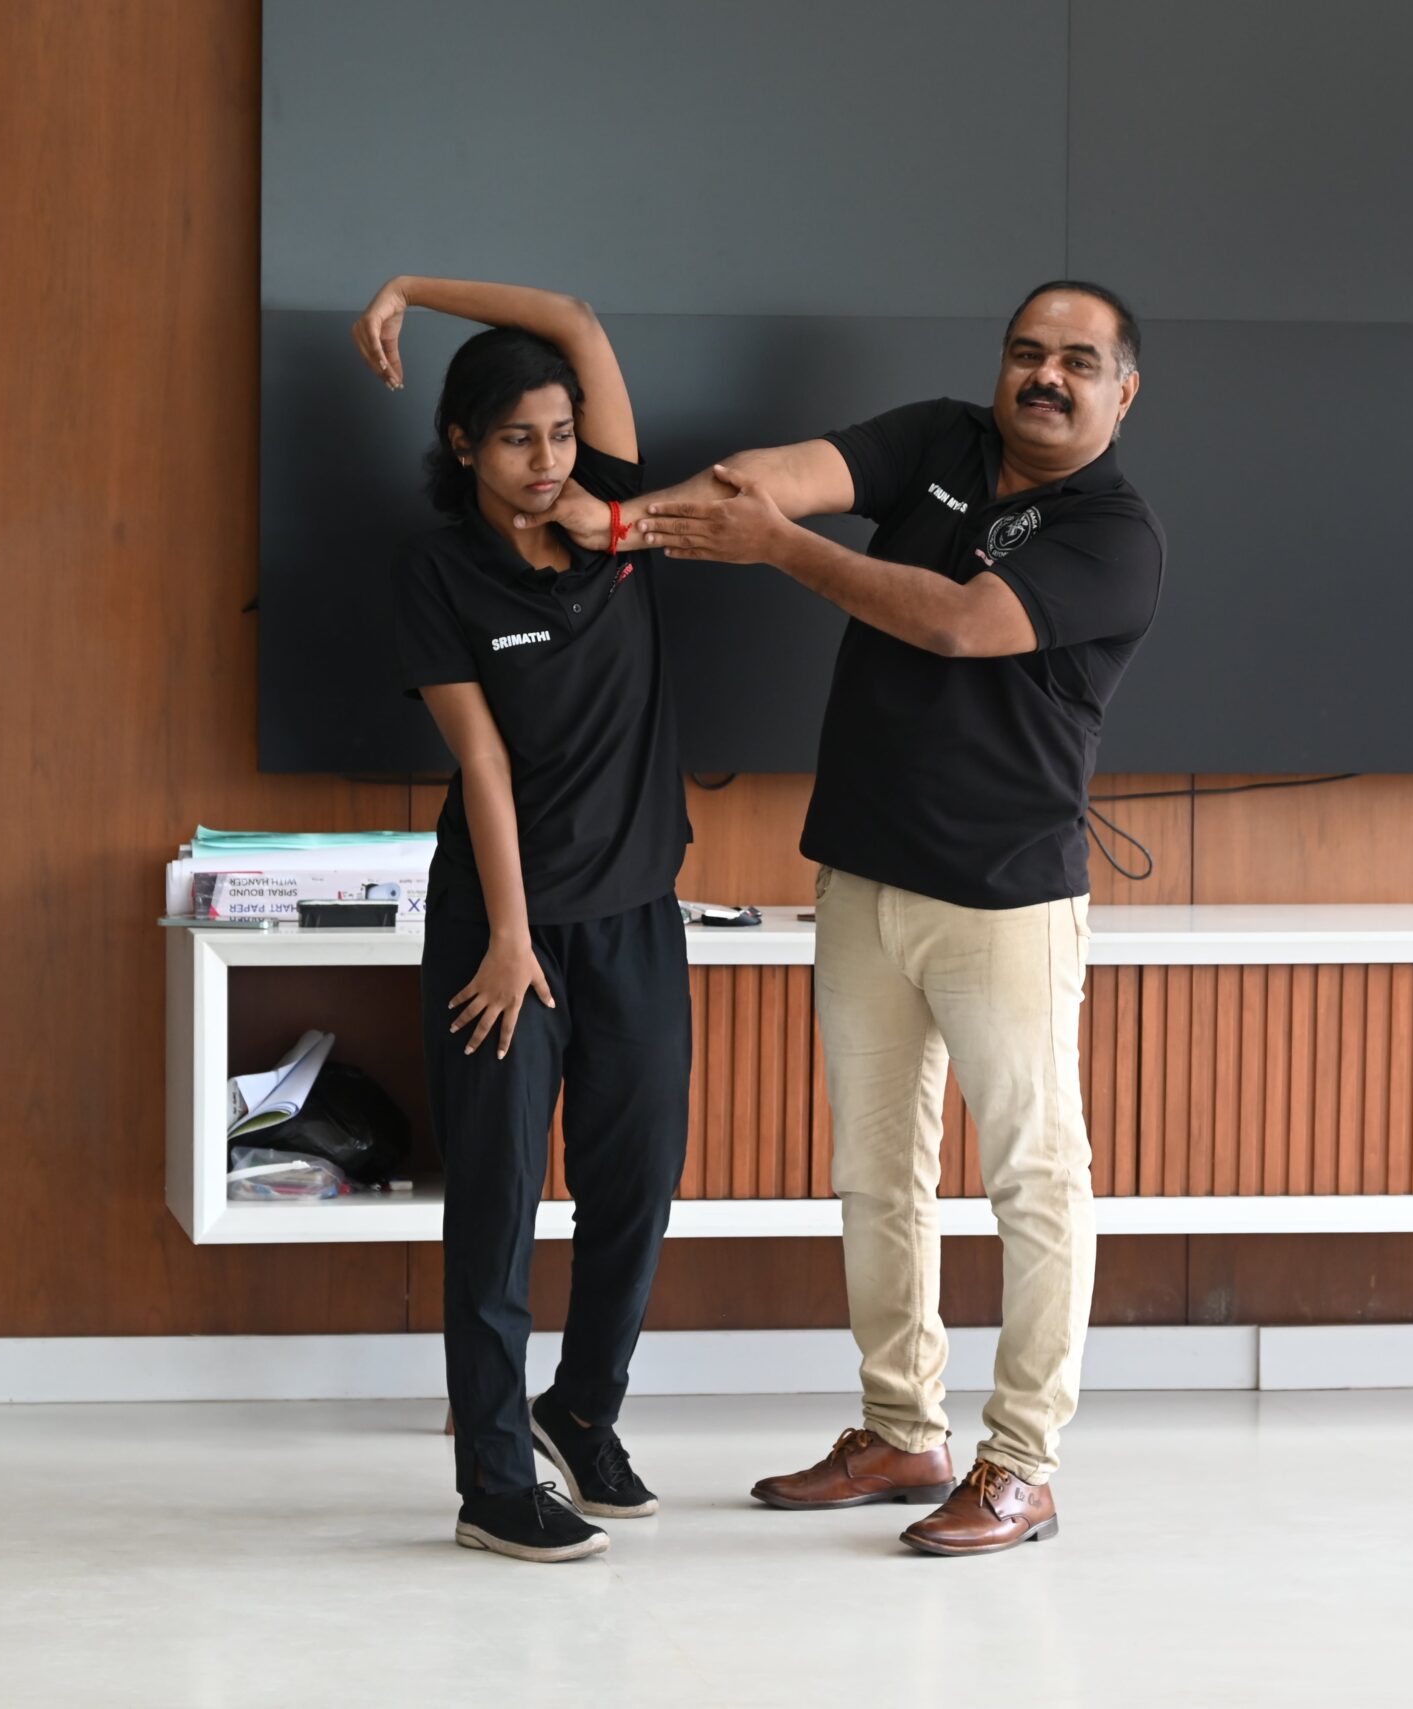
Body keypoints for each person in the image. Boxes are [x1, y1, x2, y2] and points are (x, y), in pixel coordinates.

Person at [534, 280, 1164, 1556]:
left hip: (1005, 899)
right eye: (1026, 352)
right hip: (864, 875)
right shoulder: (938, 437)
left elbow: (957, 623)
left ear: (1122, 390)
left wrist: (777, 546)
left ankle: (1020, 1463)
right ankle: (900, 1429)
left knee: (1035, 1179)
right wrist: (631, 521)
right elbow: (781, 474)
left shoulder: (1115, 533)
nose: (1044, 376)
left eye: (1076, 361)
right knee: (877, 1174)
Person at [358, 275, 693, 1564]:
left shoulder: (614, 515)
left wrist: (410, 289)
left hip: (635, 916)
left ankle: (581, 1411)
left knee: (636, 1182)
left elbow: (577, 323)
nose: (547, 460)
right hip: (500, 928)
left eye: (558, 433)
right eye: (515, 439)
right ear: (462, 445)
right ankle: (492, 1478)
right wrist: (508, 936)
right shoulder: (436, 571)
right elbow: (483, 764)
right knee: (497, 1198)